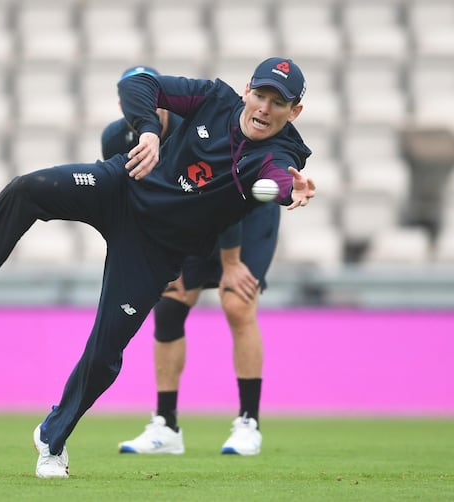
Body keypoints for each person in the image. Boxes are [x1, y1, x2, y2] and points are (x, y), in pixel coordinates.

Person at [0, 57, 315, 479]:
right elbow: (139, 82)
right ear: (247, 90)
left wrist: (286, 187)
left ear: (294, 111)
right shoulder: (213, 98)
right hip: (121, 188)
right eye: (260, 95)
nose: (264, 108)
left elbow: (277, 177)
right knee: (30, 189)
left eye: (279, 103)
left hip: (155, 249)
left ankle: (52, 439)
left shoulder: (283, 151)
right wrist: (150, 131)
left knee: (105, 353)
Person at [102, 66, 286, 456]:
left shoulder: (197, 120)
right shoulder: (116, 138)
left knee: (236, 301)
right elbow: (132, 201)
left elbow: (226, 197)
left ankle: (248, 423)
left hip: (247, 211)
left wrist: (231, 262)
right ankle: (166, 426)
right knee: (169, 306)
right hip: (190, 215)